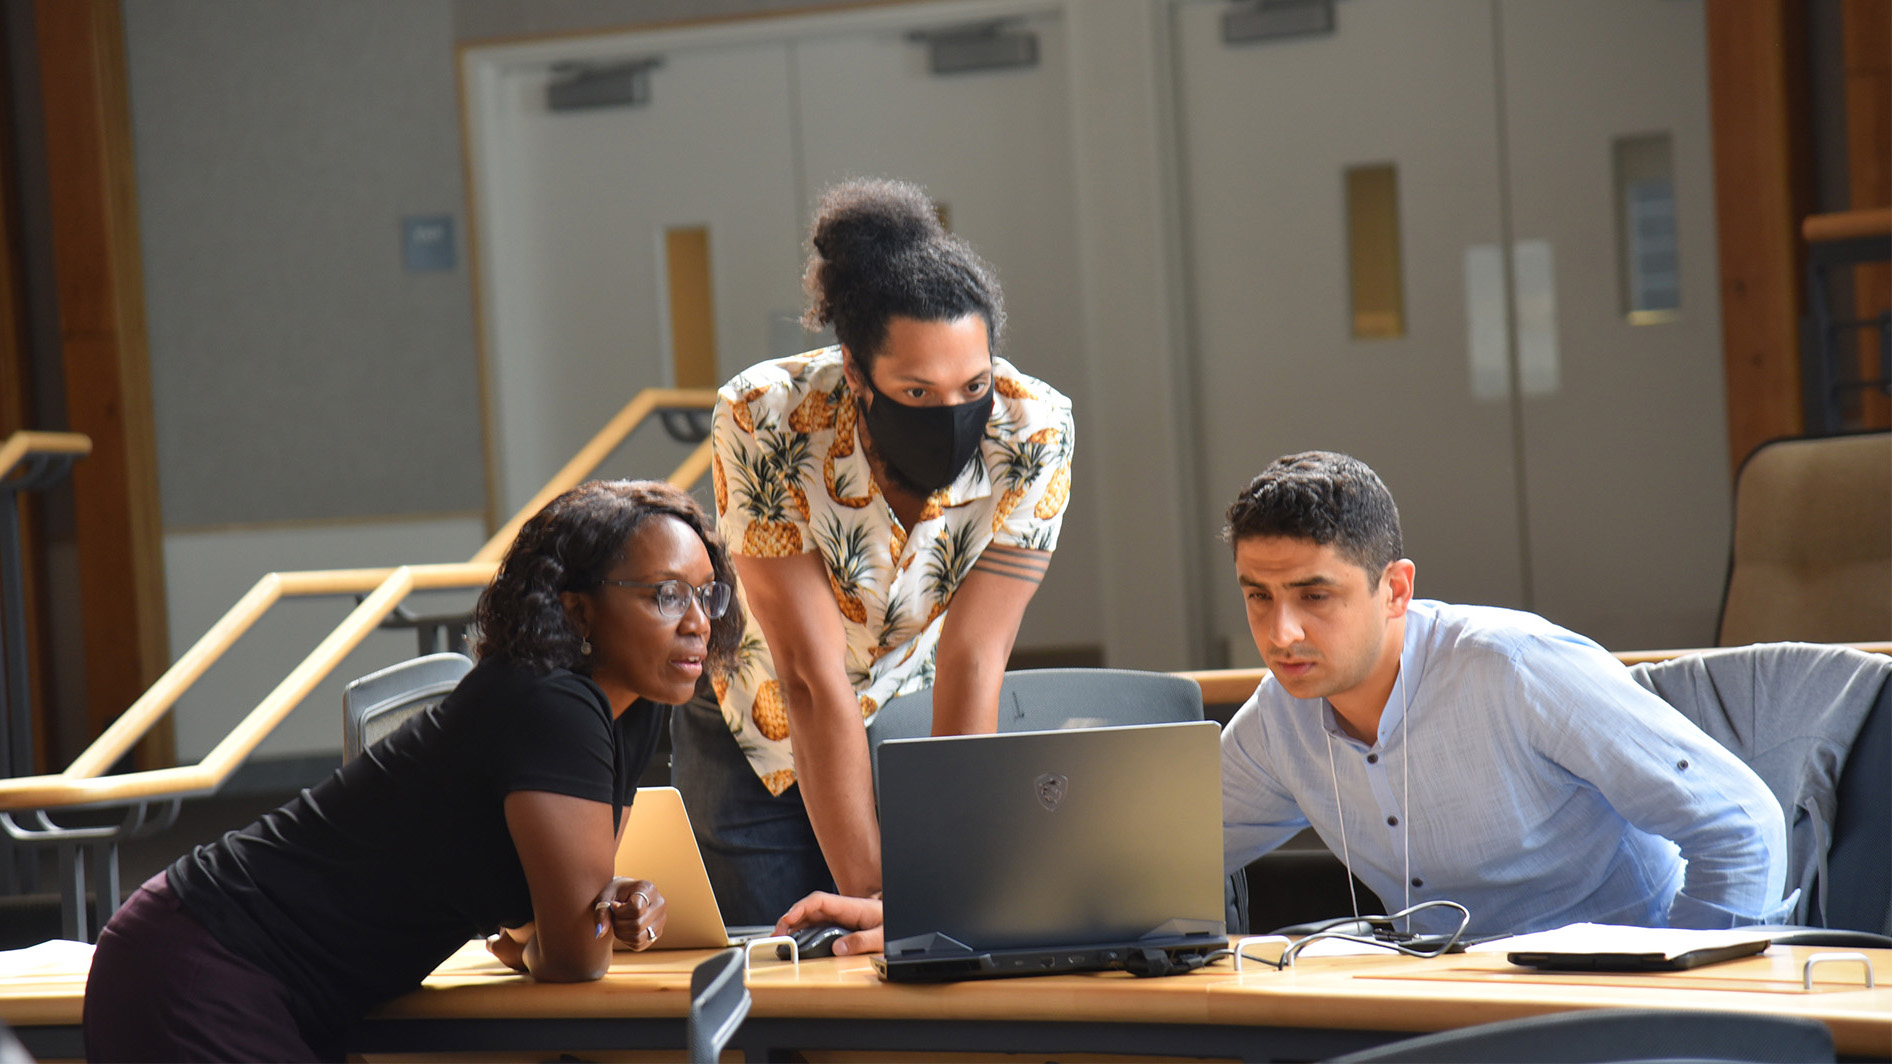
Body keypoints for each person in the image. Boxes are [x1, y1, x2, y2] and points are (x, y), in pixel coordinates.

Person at [83, 481, 744, 1061]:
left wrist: (578, 916)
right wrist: (551, 937)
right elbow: (573, 955)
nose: (697, 623)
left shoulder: (631, 706)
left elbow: (559, 920)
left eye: (706, 595)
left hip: (260, 978)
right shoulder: (551, 703)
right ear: (577, 610)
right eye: (666, 595)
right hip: (205, 963)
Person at [675, 177, 1075, 923]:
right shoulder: (765, 418)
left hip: (905, 712)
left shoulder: (1034, 434)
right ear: (856, 373)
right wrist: (883, 910)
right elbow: (808, 675)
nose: (952, 412)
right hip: (756, 723)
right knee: (785, 962)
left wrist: (934, 900)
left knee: (935, 928)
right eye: (917, 392)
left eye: (973, 385)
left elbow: (973, 659)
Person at [1219, 452, 1795, 937]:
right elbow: (1172, 860)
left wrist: (1688, 992)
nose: (1281, 634)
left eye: (1314, 596)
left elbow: (1742, 826)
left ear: (1395, 590)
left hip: (1620, 1001)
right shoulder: (1279, 717)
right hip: (1449, 1006)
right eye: (1259, 597)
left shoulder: (1515, 668)